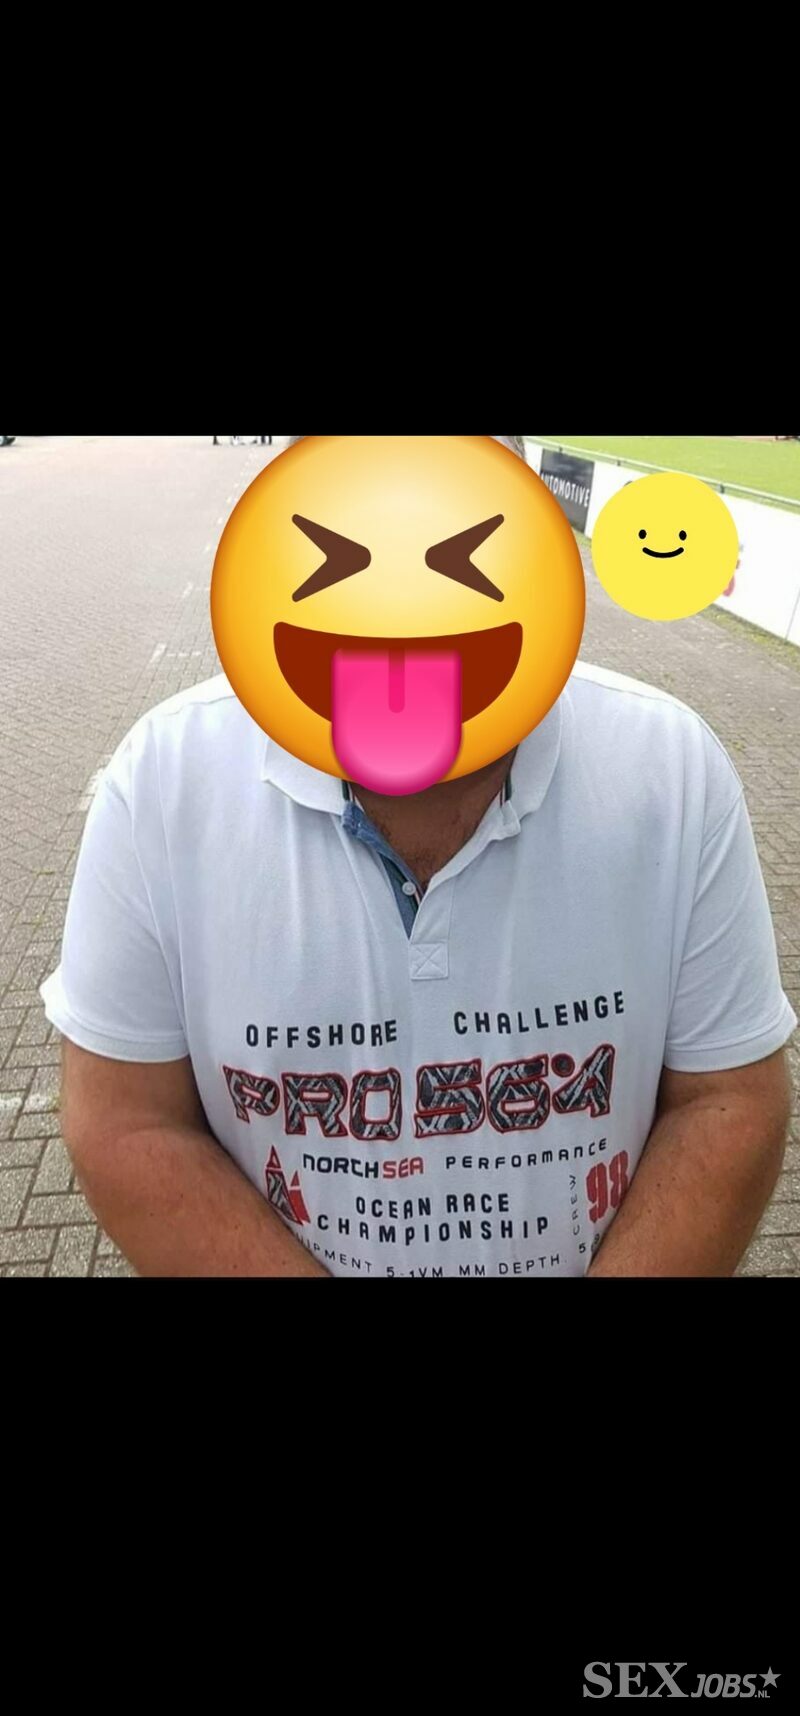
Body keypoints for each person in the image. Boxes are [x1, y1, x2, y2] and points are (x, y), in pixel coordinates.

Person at [40, 434, 796, 1279]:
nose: (402, 596)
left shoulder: (673, 770)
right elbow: (127, 1119)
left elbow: (727, 1100)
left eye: (455, 544)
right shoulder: (162, 779)